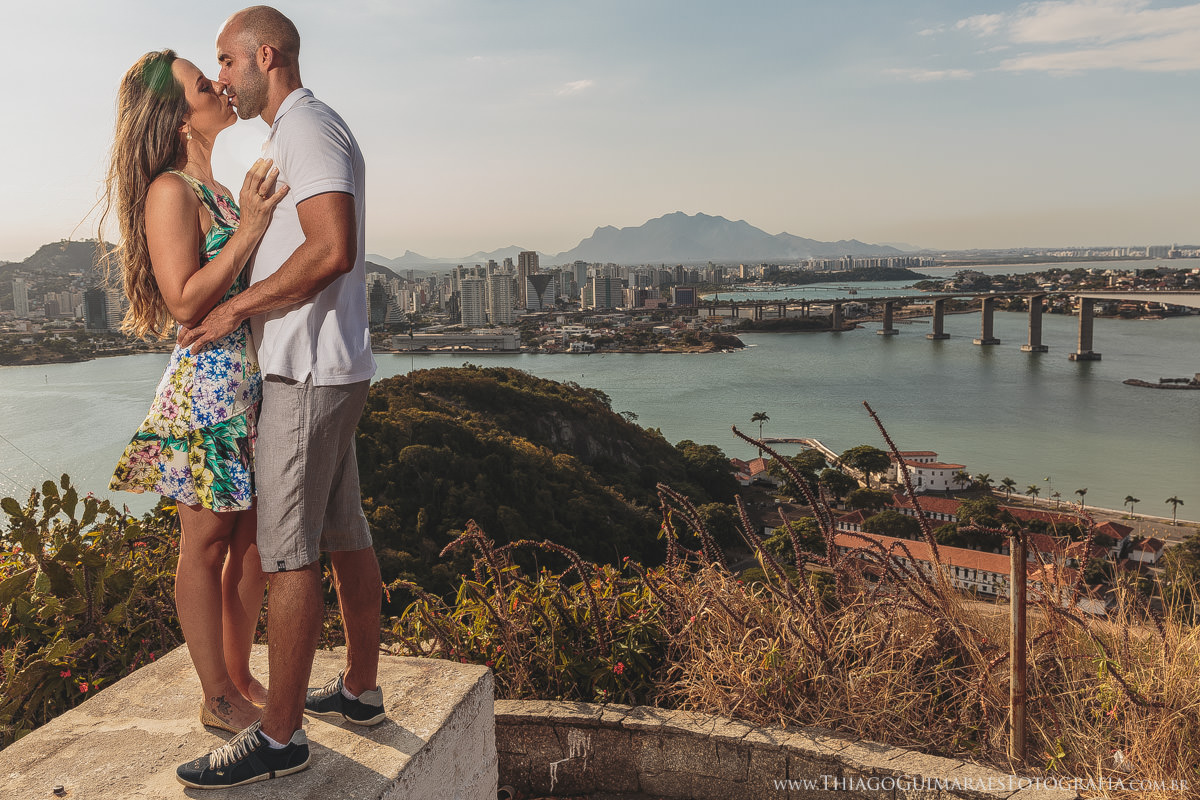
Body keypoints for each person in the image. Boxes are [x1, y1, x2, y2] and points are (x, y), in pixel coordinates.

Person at [174, 6, 384, 789]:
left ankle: (281, 740)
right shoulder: (298, 132)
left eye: (226, 61)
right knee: (343, 531)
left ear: (267, 56)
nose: (222, 77)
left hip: (308, 374)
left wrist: (235, 307)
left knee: (289, 549)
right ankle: (361, 691)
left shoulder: (305, 128)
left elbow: (333, 249)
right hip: (333, 368)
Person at [103, 49, 288, 733]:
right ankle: (216, 695)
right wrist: (247, 232)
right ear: (180, 118)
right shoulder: (171, 191)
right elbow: (184, 302)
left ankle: (241, 677)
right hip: (206, 394)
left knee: (250, 546)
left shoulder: (222, 186)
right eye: (203, 85)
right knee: (206, 545)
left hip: (248, 385)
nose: (219, 88)